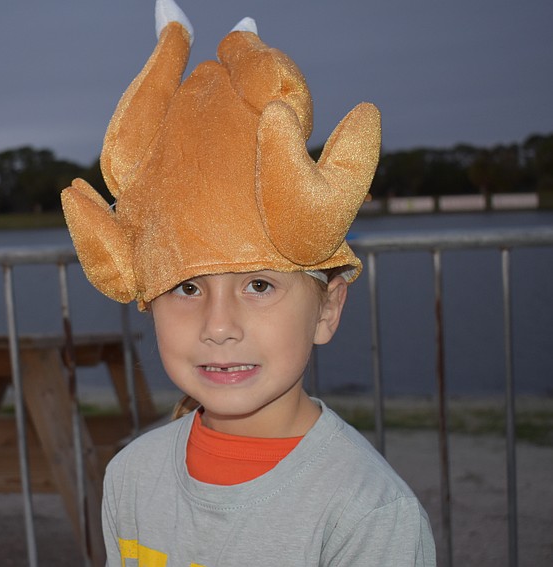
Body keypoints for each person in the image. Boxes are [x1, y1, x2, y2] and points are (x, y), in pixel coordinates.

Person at [61, 0, 436, 565]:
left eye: (259, 285)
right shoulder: (130, 479)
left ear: (328, 307)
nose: (218, 326)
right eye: (187, 288)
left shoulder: (366, 516)